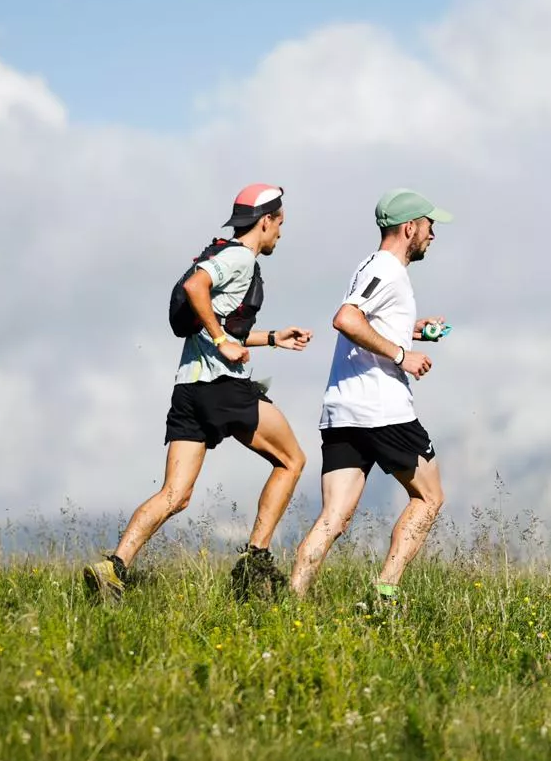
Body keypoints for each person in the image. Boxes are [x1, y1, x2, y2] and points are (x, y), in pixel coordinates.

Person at [84, 183, 314, 603]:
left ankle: (113, 569)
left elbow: (228, 326)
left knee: (176, 495)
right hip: (222, 387)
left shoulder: (225, 252)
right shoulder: (239, 257)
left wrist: (274, 338)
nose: (281, 232)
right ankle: (254, 562)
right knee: (292, 460)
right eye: (280, 223)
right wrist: (221, 339)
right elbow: (196, 288)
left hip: (188, 388)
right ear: (265, 221)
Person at [288, 188, 452, 602]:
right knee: (429, 498)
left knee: (333, 518)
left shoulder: (372, 267)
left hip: (342, 410)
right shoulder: (389, 269)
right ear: (409, 227)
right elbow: (346, 319)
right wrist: (403, 355)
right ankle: (385, 592)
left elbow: (366, 320)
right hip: (381, 409)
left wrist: (415, 329)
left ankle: (292, 602)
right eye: (430, 227)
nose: (434, 235)